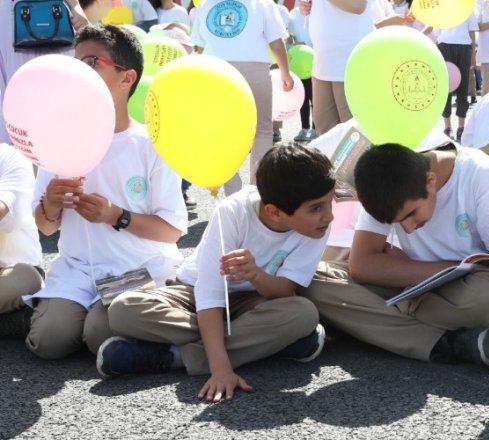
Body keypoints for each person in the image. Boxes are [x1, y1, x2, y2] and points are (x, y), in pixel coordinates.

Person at [96, 144, 332, 402]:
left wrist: (256, 275)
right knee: (123, 310)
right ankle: (268, 345)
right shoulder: (233, 211)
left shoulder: (317, 225)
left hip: (255, 302)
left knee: (303, 313)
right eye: (317, 208)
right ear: (274, 211)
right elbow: (209, 294)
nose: (329, 216)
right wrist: (221, 369)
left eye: (329, 203)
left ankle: (175, 357)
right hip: (193, 294)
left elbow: (286, 289)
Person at [26, 24, 187, 360]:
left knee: (99, 333)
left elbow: (173, 229)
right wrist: (50, 203)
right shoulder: (58, 140)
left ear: (126, 78)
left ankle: (157, 318)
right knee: (49, 341)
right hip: (78, 270)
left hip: (138, 268)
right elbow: (44, 227)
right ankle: (46, 316)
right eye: (75, 62)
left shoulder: (151, 145)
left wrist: (116, 216)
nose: (77, 74)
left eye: (91, 63)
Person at [300, 143, 489, 367]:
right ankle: (445, 342)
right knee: (310, 280)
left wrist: (407, 270)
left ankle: (384, 317)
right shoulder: (383, 184)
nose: (409, 228)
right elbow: (361, 266)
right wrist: (416, 273)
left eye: (411, 214)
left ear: (430, 181)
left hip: (468, 290)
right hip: (416, 283)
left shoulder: (480, 175)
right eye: (397, 223)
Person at [191, 0, 293, 195]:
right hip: (254, 68)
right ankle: (257, 190)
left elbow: (198, 48)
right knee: (262, 130)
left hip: (215, 72)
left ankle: (232, 190)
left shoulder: (204, 6)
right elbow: (277, 43)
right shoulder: (263, 4)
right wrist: (285, 73)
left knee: (222, 132)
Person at [0, 0, 96, 145]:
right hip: (13, 19)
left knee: (64, 93)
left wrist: (76, 6)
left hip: (55, 16)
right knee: (17, 98)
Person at [302, 0, 372, 135]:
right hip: (323, 65)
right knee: (325, 132)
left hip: (348, 63)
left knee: (354, 135)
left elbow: (358, 6)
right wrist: (307, 6)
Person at [0, 144, 44, 339]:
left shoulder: (10, 157)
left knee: (25, 278)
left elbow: (2, 209)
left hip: (10, 271)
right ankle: (18, 322)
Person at [437, 12, 478, 141]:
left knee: (463, 87)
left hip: (464, 46)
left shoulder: (468, 6)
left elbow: (472, 30)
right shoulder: (441, 5)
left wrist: (473, 54)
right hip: (445, 45)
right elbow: (437, 29)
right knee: (445, 87)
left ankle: (461, 127)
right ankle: (447, 127)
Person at [287, 0, 317, 142]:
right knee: (303, 97)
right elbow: (290, 36)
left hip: (318, 62)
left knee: (316, 98)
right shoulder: (293, 14)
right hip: (300, 63)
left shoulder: (319, 11)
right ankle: (304, 128)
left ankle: (315, 128)